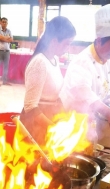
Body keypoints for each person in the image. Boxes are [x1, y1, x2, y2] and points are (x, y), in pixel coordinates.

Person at [61, 3, 110, 133]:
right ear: (99, 40)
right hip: (72, 123)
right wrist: (108, 113)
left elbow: (108, 90)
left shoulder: (107, 60)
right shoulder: (82, 61)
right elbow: (84, 94)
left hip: (93, 123)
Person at [20, 16, 76, 145]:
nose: (68, 48)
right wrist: (54, 128)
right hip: (35, 125)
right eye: (67, 43)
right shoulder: (40, 62)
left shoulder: (54, 60)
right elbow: (30, 107)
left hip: (48, 118)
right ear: (55, 40)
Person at [0, 17, 13, 87]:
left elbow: (11, 40)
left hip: (7, 51)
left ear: (7, 23)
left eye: (5, 22)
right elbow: (0, 38)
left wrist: (4, 38)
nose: (4, 23)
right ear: (1, 23)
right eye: (3, 22)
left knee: (6, 67)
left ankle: (5, 81)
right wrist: (6, 38)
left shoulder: (9, 31)